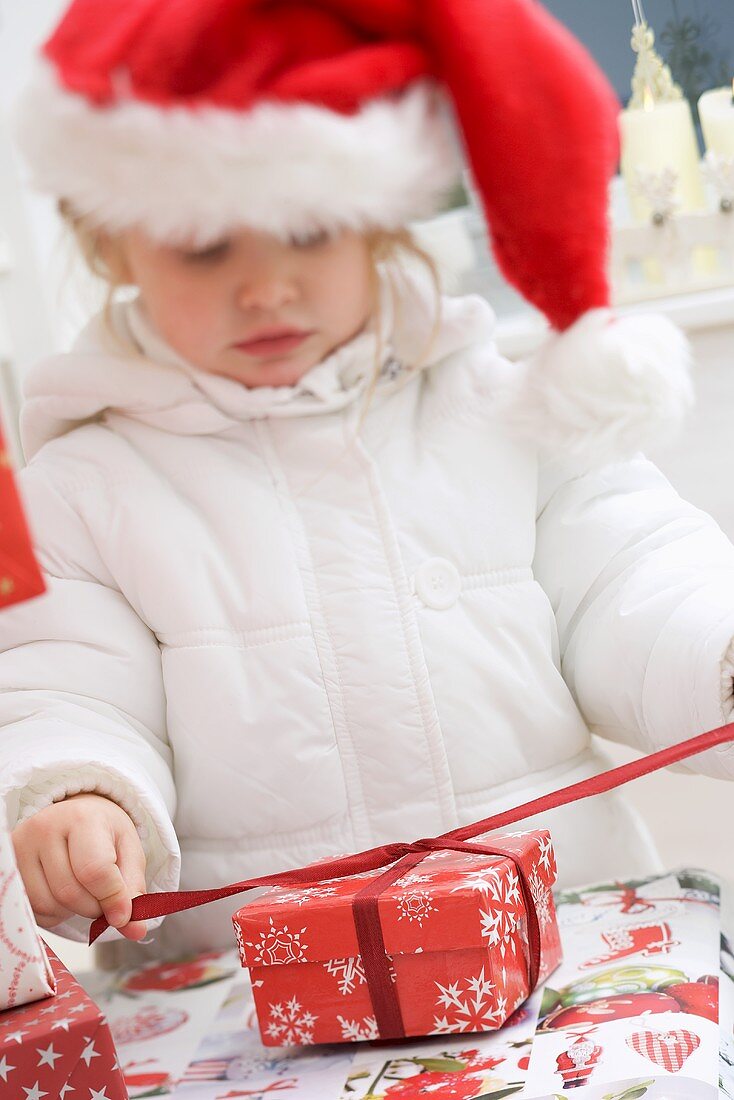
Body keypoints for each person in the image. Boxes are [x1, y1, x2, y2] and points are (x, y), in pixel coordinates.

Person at [4, 0, 734, 963]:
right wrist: (80, 791)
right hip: (259, 991)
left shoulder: (497, 403)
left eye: (308, 232)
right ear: (114, 246)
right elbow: (70, 686)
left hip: (559, 936)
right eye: (206, 247)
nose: (266, 286)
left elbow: (629, 575)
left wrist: (716, 653)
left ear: (380, 223)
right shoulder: (84, 484)